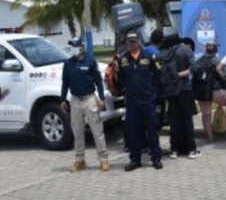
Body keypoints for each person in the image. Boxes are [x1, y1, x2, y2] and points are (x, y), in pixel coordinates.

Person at [117, 30, 163, 171]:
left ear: (140, 41)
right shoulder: (123, 59)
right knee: (134, 132)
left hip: (148, 100)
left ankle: (156, 158)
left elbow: (159, 75)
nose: (132, 44)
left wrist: (155, 94)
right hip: (132, 102)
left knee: (152, 130)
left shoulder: (150, 56)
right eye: (129, 42)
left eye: (134, 41)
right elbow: (121, 79)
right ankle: (135, 160)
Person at [61, 37, 109, 172]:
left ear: (82, 47)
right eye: (71, 46)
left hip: (90, 99)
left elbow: (98, 81)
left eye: (75, 46)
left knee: (97, 131)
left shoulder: (91, 61)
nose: (72, 49)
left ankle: (103, 159)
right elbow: (65, 83)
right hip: (75, 99)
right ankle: (79, 160)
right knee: (77, 131)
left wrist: (101, 98)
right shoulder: (68, 63)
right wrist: (63, 99)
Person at [194, 41, 226, 142]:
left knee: (206, 114)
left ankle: (210, 137)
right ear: (215, 49)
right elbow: (222, 74)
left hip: (202, 92)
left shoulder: (198, 61)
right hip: (216, 90)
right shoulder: (216, 60)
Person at [167, 38, 200, 159]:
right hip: (185, 89)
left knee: (174, 121)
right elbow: (194, 68)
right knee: (187, 119)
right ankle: (191, 149)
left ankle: (174, 149)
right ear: (189, 44)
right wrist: (180, 74)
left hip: (171, 90)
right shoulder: (186, 50)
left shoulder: (169, 50)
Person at [145, 29, 167, 130]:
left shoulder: (144, 51)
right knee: (158, 116)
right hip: (156, 90)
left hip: (145, 89)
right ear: (162, 41)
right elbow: (161, 73)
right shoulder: (158, 55)